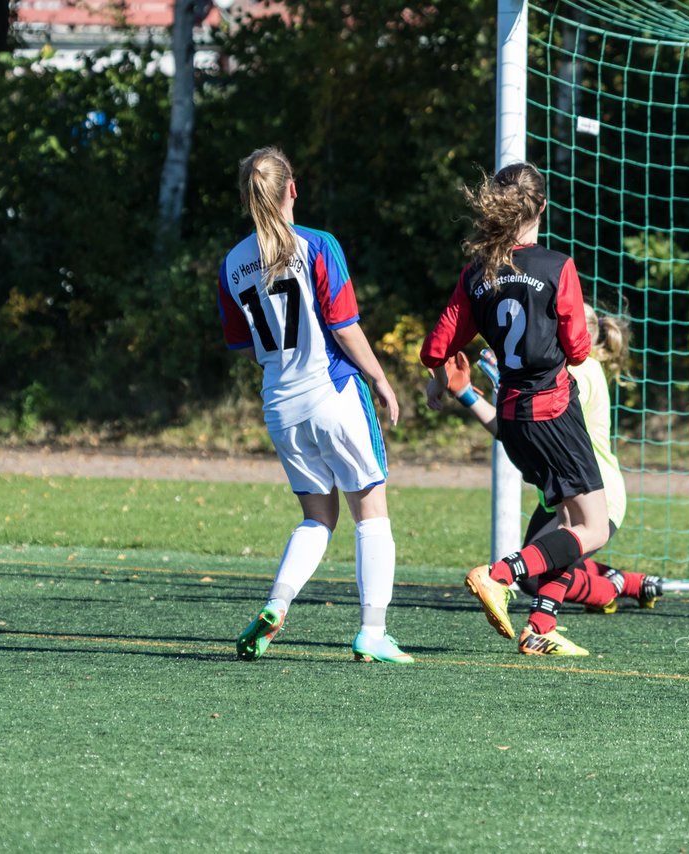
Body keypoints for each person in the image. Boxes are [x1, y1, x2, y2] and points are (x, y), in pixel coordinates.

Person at [218, 146, 412, 664]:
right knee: (371, 514)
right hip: (333, 393)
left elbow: (242, 343)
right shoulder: (318, 244)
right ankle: (372, 630)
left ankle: (276, 604)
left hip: (280, 406)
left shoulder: (231, 264)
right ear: (293, 190)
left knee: (317, 518)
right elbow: (344, 327)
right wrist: (382, 380)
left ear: (245, 198)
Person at [421, 161, 608, 657]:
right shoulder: (558, 265)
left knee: (570, 524)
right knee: (594, 526)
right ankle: (498, 574)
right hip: (552, 410)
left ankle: (540, 626)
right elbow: (579, 348)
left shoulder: (476, 275)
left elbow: (436, 346)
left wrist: (438, 386)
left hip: (513, 416)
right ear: (543, 207)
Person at [439, 307, 663, 614]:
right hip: (563, 488)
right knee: (540, 570)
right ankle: (619, 584)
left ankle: (604, 591)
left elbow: (536, 427)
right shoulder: (561, 370)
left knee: (536, 573)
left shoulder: (579, 372)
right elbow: (512, 432)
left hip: (597, 492)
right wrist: (467, 393)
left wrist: (509, 388)